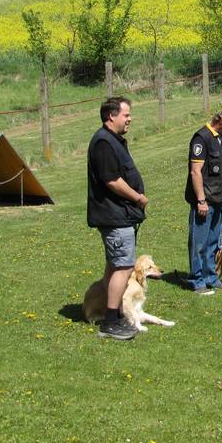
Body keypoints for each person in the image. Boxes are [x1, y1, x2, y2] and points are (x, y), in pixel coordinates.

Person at [86, 97, 149, 340]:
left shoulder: (112, 140)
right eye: (126, 115)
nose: (130, 119)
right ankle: (110, 322)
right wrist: (137, 197)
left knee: (117, 265)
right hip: (114, 216)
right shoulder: (103, 142)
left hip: (120, 215)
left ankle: (111, 313)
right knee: (122, 267)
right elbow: (112, 180)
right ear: (111, 116)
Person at [185, 106, 222, 295]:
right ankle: (197, 280)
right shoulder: (201, 139)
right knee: (199, 243)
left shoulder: (221, 138)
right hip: (205, 201)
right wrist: (201, 200)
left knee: (213, 243)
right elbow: (195, 172)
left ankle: (211, 277)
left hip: (219, 199)